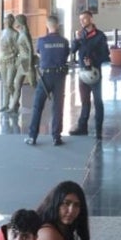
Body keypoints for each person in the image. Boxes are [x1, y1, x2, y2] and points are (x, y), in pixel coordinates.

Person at [27, 14, 71, 146]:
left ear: (47, 26)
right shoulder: (64, 41)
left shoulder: (41, 41)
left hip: (45, 77)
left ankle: (32, 136)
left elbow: (39, 54)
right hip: (59, 77)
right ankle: (56, 137)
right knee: (58, 107)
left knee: (37, 106)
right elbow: (65, 56)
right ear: (57, 26)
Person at [69, 9, 110, 138]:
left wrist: (93, 59)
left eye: (84, 19)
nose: (81, 22)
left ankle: (99, 129)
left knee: (98, 101)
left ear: (91, 19)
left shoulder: (100, 36)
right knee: (84, 101)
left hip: (95, 72)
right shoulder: (80, 36)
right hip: (82, 73)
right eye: (80, 19)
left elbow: (105, 55)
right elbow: (72, 50)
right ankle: (82, 127)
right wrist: (76, 40)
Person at [8, 14, 36, 113]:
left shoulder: (25, 34)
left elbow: (30, 49)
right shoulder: (21, 33)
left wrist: (30, 64)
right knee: (17, 85)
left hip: (26, 62)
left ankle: (40, 101)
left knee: (34, 85)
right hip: (21, 62)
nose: (15, 23)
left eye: (16, 21)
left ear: (20, 22)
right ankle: (13, 107)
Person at [0, 13, 18, 112]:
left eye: (9, 20)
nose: (7, 22)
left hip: (12, 60)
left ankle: (15, 102)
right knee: (5, 83)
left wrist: (13, 54)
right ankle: (6, 104)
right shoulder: (2, 32)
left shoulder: (15, 34)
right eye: (6, 20)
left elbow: (18, 48)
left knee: (10, 83)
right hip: (3, 60)